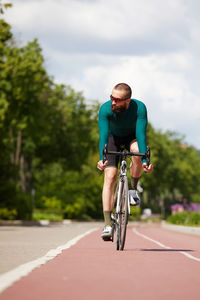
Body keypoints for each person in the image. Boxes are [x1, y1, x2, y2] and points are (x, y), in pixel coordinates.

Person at [97, 83, 153, 240]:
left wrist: (145, 160)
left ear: (128, 100)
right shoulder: (105, 109)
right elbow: (103, 136)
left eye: (117, 100)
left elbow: (141, 134)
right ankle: (108, 224)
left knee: (136, 150)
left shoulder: (139, 108)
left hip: (131, 137)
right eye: (111, 97)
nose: (113, 102)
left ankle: (133, 189)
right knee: (110, 176)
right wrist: (102, 159)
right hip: (112, 138)